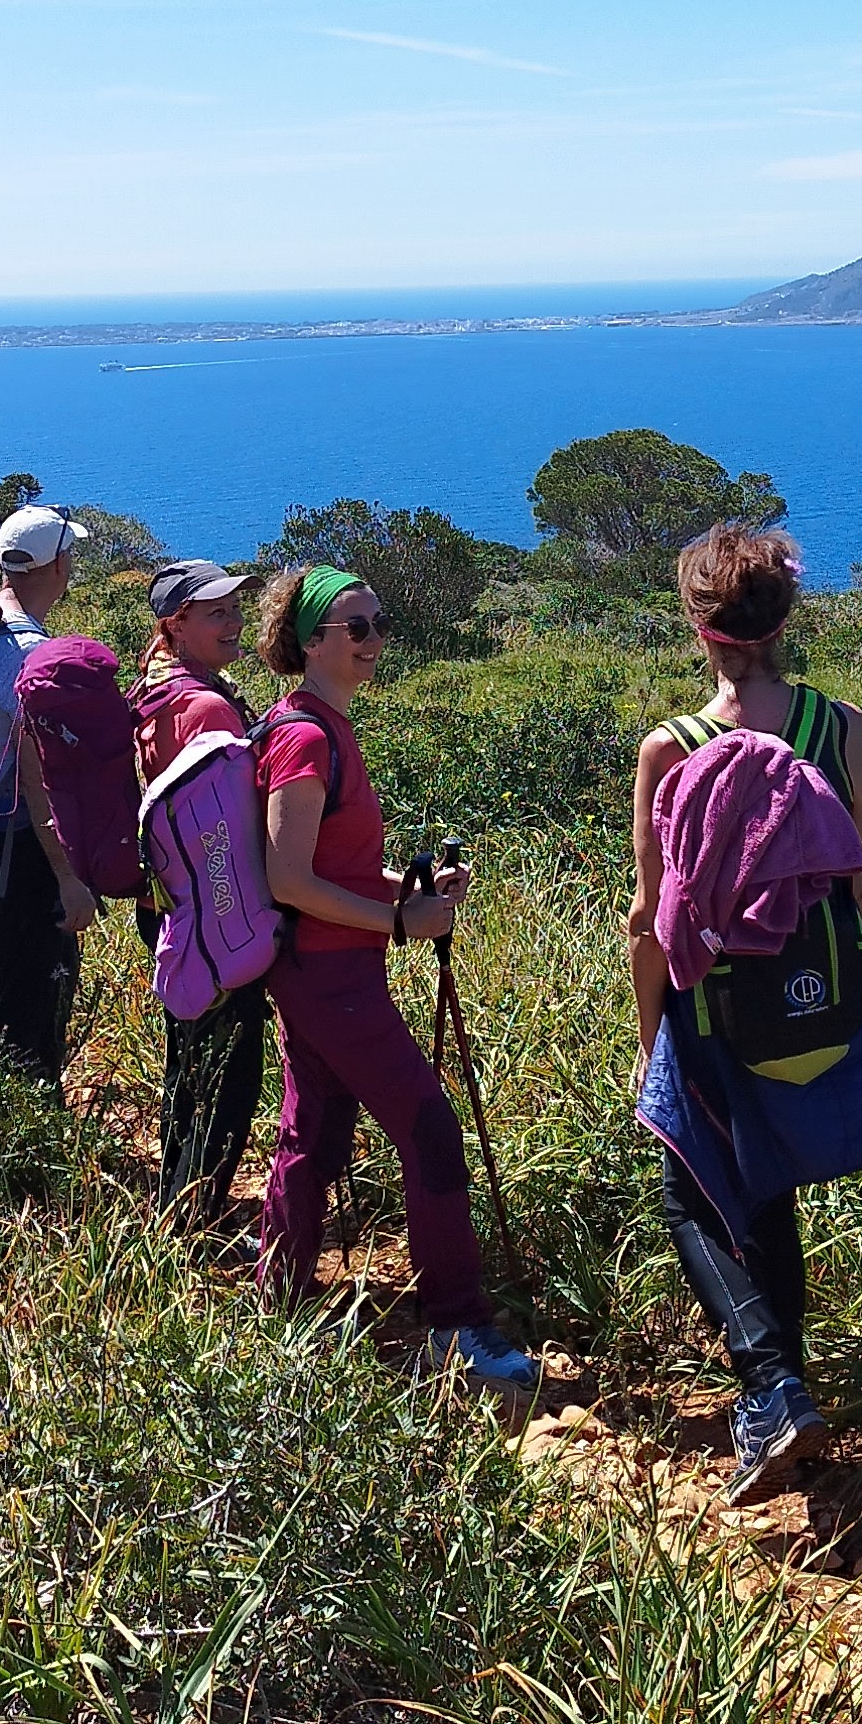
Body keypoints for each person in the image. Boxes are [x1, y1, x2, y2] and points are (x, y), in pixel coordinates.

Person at [626, 522, 862, 1503]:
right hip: (820, 1002)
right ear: (784, 620)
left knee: (691, 1192)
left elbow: (652, 920)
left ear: (700, 628)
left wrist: (650, 1037)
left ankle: (771, 1386)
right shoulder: (839, 726)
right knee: (767, 1186)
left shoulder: (673, 748)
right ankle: (788, 1397)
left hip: (713, 1014)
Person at [249, 563, 541, 1401]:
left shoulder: (321, 725)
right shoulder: (306, 736)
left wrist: (406, 892)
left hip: (325, 970)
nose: (376, 641)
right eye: (358, 628)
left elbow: (329, 868)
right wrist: (400, 922)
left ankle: (280, 1299)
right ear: (310, 642)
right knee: (429, 1127)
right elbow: (287, 878)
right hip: (332, 976)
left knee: (313, 1129)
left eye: (379, 624)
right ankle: (455, 1326)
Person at [136, 556, 268, 1221]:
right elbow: (233, 821)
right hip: (214, 909)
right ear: (175, 623)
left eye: (235, 608)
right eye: (216, 612)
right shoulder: (209, 707)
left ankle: (178, 1202)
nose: (234, 622)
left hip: (165, 903)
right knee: (228, 1072)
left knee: (187, 1062)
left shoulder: (154, 681)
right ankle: (199, 1218)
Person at [0, 503, 103, 1090]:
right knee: (35, 986)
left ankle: (10, 1112)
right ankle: (25, 1129)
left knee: (16, 977)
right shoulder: (25, 656)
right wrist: (67, 875)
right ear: (58, 565)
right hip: (25, 847)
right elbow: (37, 777)